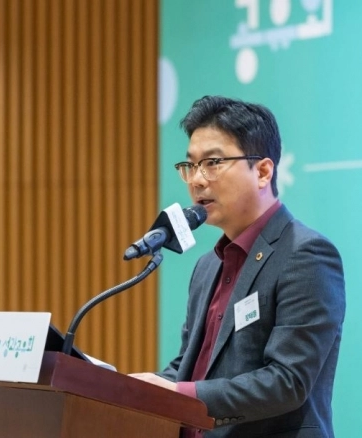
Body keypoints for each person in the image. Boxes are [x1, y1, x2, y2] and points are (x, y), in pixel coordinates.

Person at [129, 96, 346, 438]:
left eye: (213, 162)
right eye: (190, 165)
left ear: (262, 171)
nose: (197, 180)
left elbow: (287, 381)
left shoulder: (305, 255)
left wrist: (178, 393)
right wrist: (131, 389)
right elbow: (192, 369)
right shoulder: (207, 266)